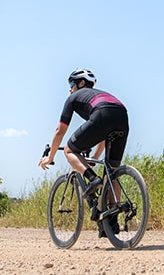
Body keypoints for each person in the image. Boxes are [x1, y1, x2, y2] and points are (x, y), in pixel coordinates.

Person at [38, 68, 130, 237]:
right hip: (122, 116)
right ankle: (112, 221)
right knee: (112, 171)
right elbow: (104, 136)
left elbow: (60, 130)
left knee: (69, 149)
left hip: (102, 115)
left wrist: (50, 157)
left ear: (81, 83)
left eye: (72, 83)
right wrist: (94, 158)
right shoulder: (99, 95)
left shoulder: (73, 98)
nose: (70, 88)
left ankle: (93, 178)